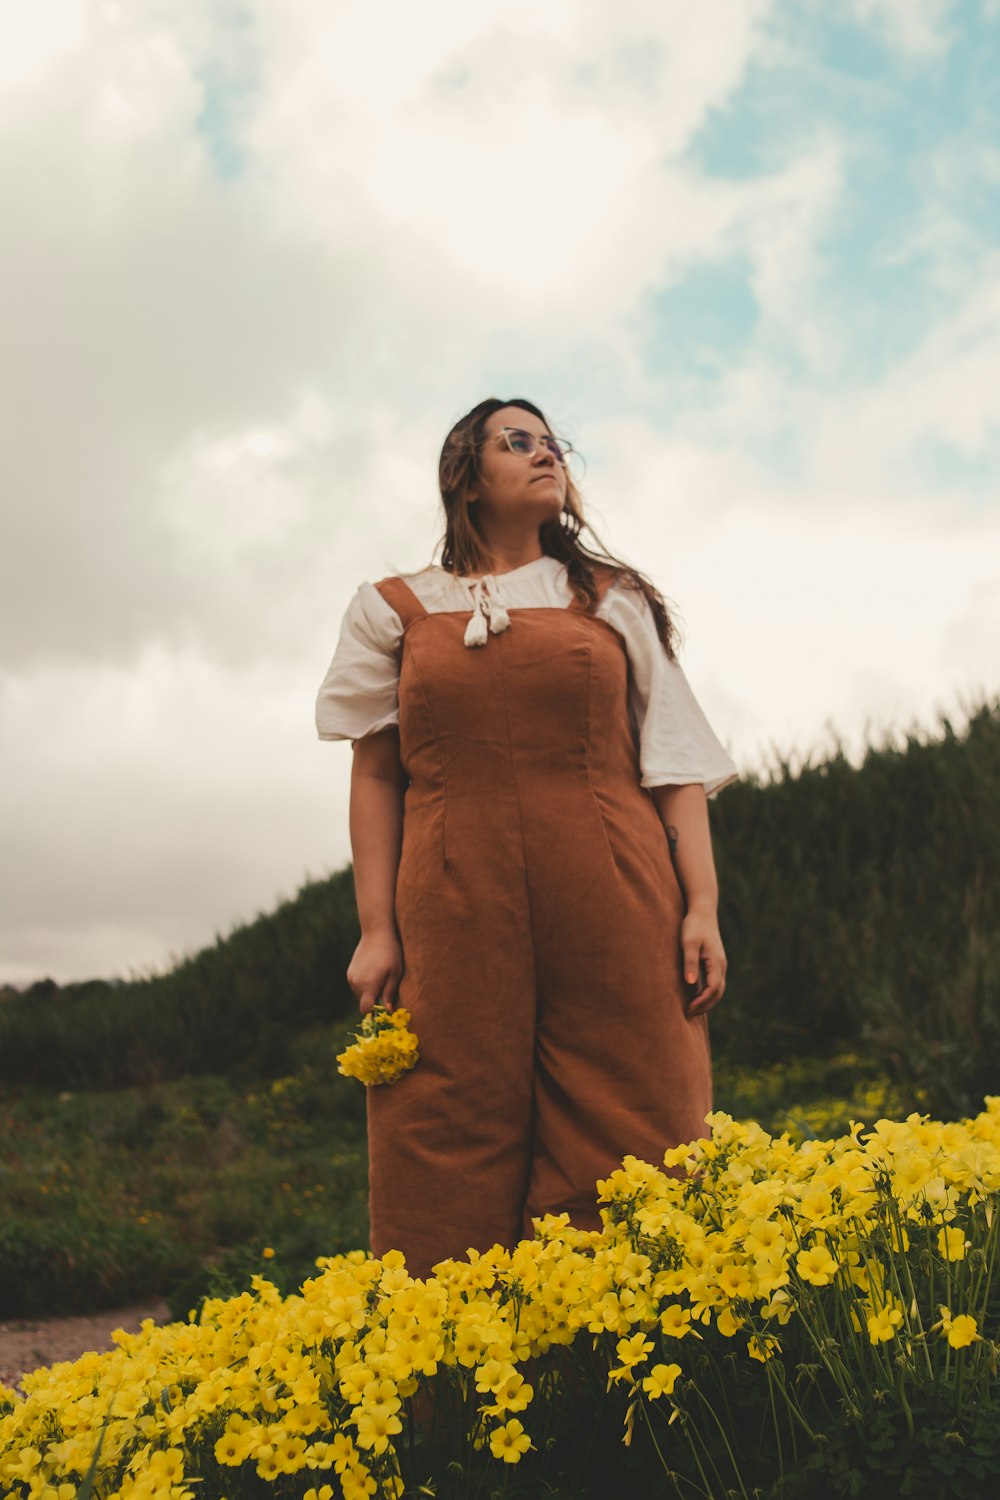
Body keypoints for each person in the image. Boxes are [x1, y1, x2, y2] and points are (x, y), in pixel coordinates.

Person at [315, 396, 738, 1278]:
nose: (548, 455)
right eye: (520, 442)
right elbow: (376, 773)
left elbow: (675, 762)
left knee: (637, 1108)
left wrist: (701, 905)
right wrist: (377, 928)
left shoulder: (608, 599)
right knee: (441, 1120)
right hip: (453, 899)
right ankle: (448, 1396)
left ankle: (635, 1377)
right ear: (466, 476)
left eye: (555, 444)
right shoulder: (394, 608)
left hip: (614, 888)